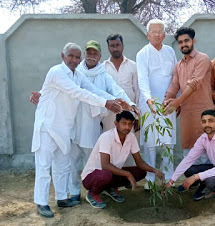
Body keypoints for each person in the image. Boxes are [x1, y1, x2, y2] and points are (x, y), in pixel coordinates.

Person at [30, 40, 136, 205]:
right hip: (50, 126)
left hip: (68, 128)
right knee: (44, 167)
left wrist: (119, 101)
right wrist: (105, 103)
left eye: (77, 57)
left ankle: (62, 199)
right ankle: (42, 203)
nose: (74, 59)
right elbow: (77, 92)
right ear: (63, 56)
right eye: (71, 56)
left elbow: (94, 90)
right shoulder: (57, 71)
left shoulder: (79, 75)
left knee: (63, 166)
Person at [163, 27, 215, 195]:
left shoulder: (203, 59)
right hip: (187, 116)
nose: (183, 44)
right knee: (189, 154)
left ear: (193, 41)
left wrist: (177, 102)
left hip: (204, 114)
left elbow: (194, 84)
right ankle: (193, 182)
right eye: (180, 42)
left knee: (206, 153)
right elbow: (173, 87)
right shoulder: (178, 66)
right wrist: (165, 101)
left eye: (186, 40)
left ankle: (207, 186)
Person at [81, 111, 165, 208]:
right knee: (106, 174)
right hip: (91, 177)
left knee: (141, 171)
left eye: (130, 124)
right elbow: (105, 165)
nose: (127, 127)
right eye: (124, 123)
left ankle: (110, 188)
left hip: (111, 174)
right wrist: (127, 174)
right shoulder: (107, 137)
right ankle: (92, 194)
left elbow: (139, 162)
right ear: (116, 124)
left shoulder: (131, 137)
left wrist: (155, 170)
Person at [165, 110, 215, 205]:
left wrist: (195, 177)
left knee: (210, 182)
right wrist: (171, 181)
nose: (207, 124)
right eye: (204, 121)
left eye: (210, 121)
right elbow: (189, 158)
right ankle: (211, 188)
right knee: (189, 170)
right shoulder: (203, 138)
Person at [136, 19, 177, 189]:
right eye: (153, 31)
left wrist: (177, 99)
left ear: (165, 34)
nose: (157, 34)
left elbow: (176, 76)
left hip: (169, 103)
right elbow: (142, 79)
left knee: (168, 140)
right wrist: (148, 98)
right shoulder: (142, 54)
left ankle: (168, 176)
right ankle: (151, 179)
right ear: (147, 34)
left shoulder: (170, 52)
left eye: (160, 31)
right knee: (150, 142)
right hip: (149, 104)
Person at [102, 34, 140, 133]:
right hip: (109, 115)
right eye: (112, 46)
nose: (115, 49)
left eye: (118, 45)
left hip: (129, 113)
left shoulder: (133, 66)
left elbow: (137, 91)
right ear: (108, 47)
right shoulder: (102, 68)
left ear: (122, 45)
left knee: (128, 144)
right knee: (110, 143)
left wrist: (137, 116)